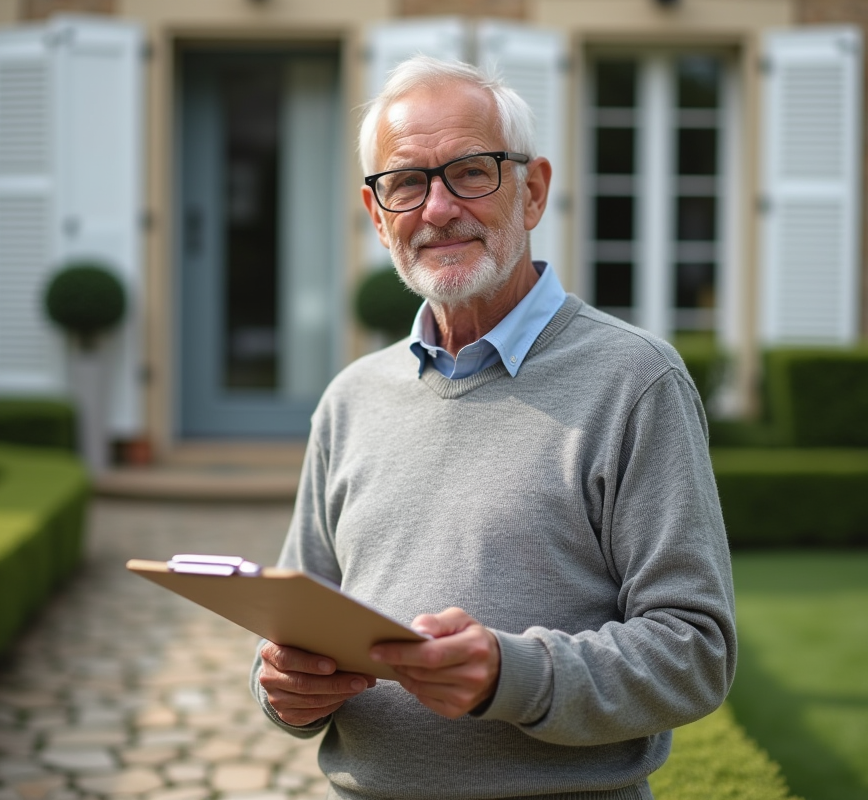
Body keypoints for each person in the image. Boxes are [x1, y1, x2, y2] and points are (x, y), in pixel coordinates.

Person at [251, 55, 736, 800]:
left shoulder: (635, 381)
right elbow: (296, 620)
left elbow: (695, 651)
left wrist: (513, 675)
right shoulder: (351, 397)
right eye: (407, 182)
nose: (438, 208)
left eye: (471, 171)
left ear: (532, 190)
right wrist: (282, 687)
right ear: (378, 216)